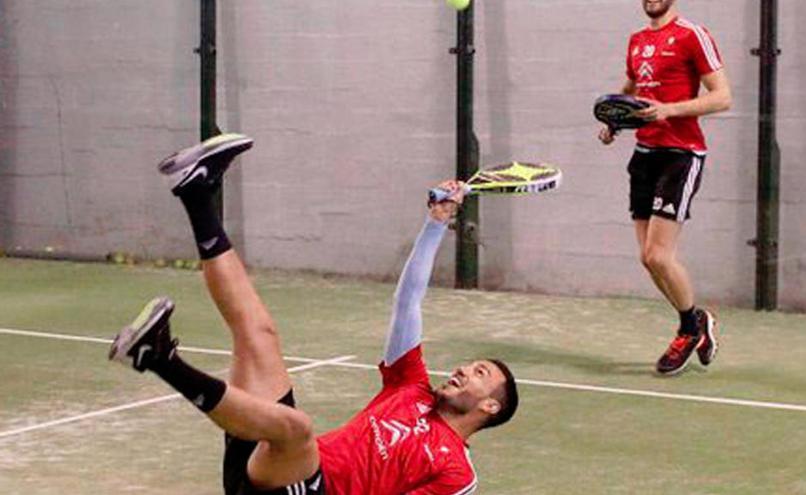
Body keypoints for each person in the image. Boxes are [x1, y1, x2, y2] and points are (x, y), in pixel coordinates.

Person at [109, 134, 518, 494]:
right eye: (472, 365)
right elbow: (408, 302)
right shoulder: (409, 386)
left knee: (296, 428)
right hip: (274, 470)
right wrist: (435, 223)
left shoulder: (456, 474)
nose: (465, 369)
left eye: (481, 373)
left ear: (491, 408)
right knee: (259, 334)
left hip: (308, 485)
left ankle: (158, 358)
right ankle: (195, 192)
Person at [598, 0, 732, 375]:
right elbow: (632, 88)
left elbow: (723, 96)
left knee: (659, 255)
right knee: (647, 257)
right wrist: (615, 120)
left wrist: (668, 110)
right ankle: (698, 321)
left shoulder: (693, 35)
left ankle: (689, 329)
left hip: (681, 155)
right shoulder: (637, 40)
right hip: (645, 155)